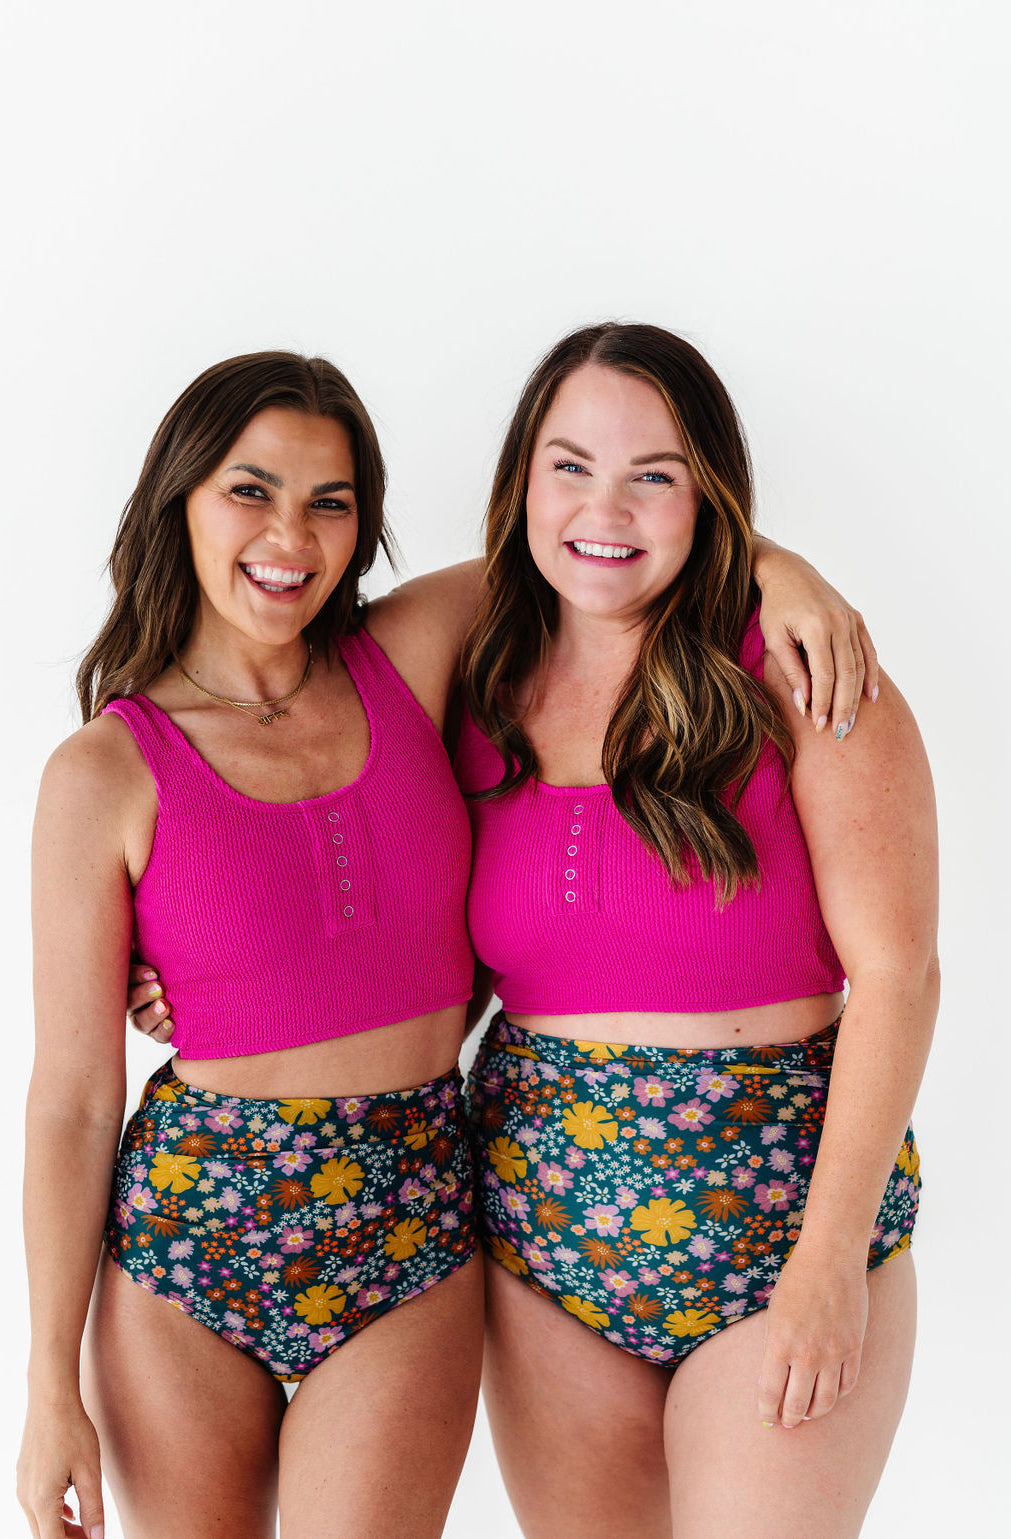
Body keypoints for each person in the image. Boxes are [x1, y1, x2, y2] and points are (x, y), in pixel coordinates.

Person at [74, 346, 878, 1539]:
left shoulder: (432, 653)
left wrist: (779, 566)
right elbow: (79, 1093)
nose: (290, 534)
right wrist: (44, 1378)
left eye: (331, 500)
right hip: (317, 1234)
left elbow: (602, 545)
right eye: (249, 489)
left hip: (506, 1222)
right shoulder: (126, 761)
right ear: (175, 498)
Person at [456, 324, 937, 1539]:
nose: (603, 509)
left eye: (653, 476)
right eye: (570, 467)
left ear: (708, 494)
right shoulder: (471, 681)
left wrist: (828, 1262)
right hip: (541, 1248)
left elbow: (899, 975)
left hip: (779, 1238)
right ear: (522, 481)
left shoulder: (804, 669)